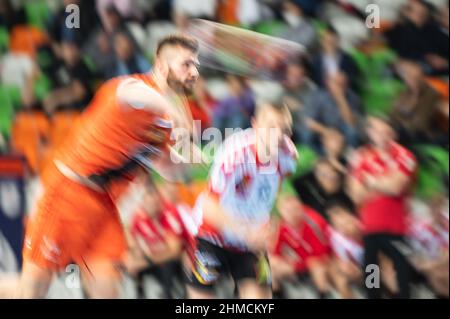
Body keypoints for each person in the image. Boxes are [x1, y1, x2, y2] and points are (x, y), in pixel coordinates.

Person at [0, 34, 200, 298]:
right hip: (67, 194)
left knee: (108, 292)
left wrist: (188, 159)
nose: (194, 72)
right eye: (186, 64)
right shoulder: (132, 87)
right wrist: (170, 107)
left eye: (196, 65)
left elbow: (168, 169)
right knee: (31, 293)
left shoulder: (162, 126)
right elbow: (129, 95)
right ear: (162, 66)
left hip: (103, 208)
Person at [185, 102, 298, 299]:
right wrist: (244, 231)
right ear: (255, 125)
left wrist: (270, 225)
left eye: (285, 129)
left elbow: (270, 194)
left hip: (249, 242)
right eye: (272, 127)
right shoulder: (235, 154)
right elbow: (209, 207)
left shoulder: (288, 157)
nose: (279, 135)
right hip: (212, 234)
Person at [348, 115, 417, 299]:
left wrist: (369, 181)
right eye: (376, 130)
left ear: (392, 133)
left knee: (401, 270)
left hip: (397, 226)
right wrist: (384, 183)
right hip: (370, 226)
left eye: (385, 130)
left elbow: (397, 187)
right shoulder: (361, 156)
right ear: (370, 133)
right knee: (371, 270)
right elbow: (356, 194)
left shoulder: (404, 155)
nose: (380, 134)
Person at [124, 180, 195, 299]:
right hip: (158, 255)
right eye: (146, 201)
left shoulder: (169, 214)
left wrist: (146, 261)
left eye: (155, 201)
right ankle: (140, 293)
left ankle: (172, 295)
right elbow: (133, 243)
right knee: (132, 264)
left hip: (181, 255)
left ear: (159, 200)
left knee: (168, 264)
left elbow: (174, 251)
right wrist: (133, 258)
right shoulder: (139, 217)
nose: (152, 205)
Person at [270, 194, 331, 299]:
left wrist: (298, 265)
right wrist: (285, 261)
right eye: (288, 211)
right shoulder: (282, 227)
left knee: (315, 265)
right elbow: (274, 252)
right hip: (299, 263)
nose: (292, 214)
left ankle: (323, 294)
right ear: (282, 213)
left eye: (295, 209)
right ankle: (278, 295)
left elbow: (322, 251)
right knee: (270, 263)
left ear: (301, 208)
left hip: (320, 259)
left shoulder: (313, 221)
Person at [326, 198, 363, 299]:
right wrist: (347, 266)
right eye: (338, 225)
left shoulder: (364, 226)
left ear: (351, 217)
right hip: (356, 268)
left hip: (373, 265)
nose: (344, 228)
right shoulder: (337, 237)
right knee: (337, 274)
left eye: (346, 222)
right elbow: (340, 258)